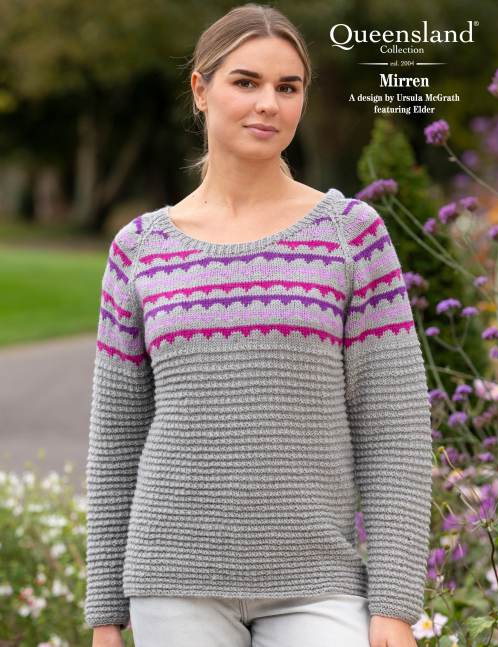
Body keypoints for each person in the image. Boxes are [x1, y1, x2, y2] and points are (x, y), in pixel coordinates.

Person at [84, 3, 433, 647]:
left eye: (287, 87)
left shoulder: (351, 236)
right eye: (246, 82)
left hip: (318, 579)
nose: (268, 103)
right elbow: (117, 436)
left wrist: (394, 601)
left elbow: (395, 425)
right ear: (200, 88)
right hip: (174, 577)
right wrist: (106, 612)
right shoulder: (139, 249)